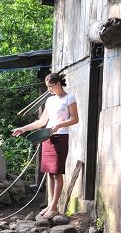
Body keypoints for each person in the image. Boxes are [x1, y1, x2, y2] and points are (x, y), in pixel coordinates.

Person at [12, 72, 79, 219]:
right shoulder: (50, 101)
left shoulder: (69, 98)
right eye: (47, 87)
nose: (49, 89)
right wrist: (23, 129)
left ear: (58, 84)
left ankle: (54, 207)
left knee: (57, 172)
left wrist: (59, 124)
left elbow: (75, 119)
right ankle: (50, 204)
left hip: (61, 137)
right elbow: (42, 122)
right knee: (49, 173)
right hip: (47, 137)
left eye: (50, 86)